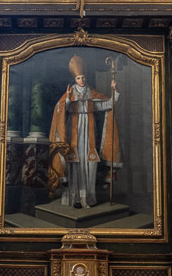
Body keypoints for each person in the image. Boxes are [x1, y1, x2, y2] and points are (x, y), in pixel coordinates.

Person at [49, 55, 121, 208]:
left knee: (90, 163)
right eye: (78, 78)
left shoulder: (92, 93)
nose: (81, 80)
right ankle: (75, 197)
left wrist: (115, 91)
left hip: (89, 133)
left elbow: (108, 105)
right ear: (75, 79)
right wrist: (67, 100)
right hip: (74, 132)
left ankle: (88, 197)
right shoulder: (70, 93)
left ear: (86, 77)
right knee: (75, 164)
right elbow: (60, 110)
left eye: (83, 77)